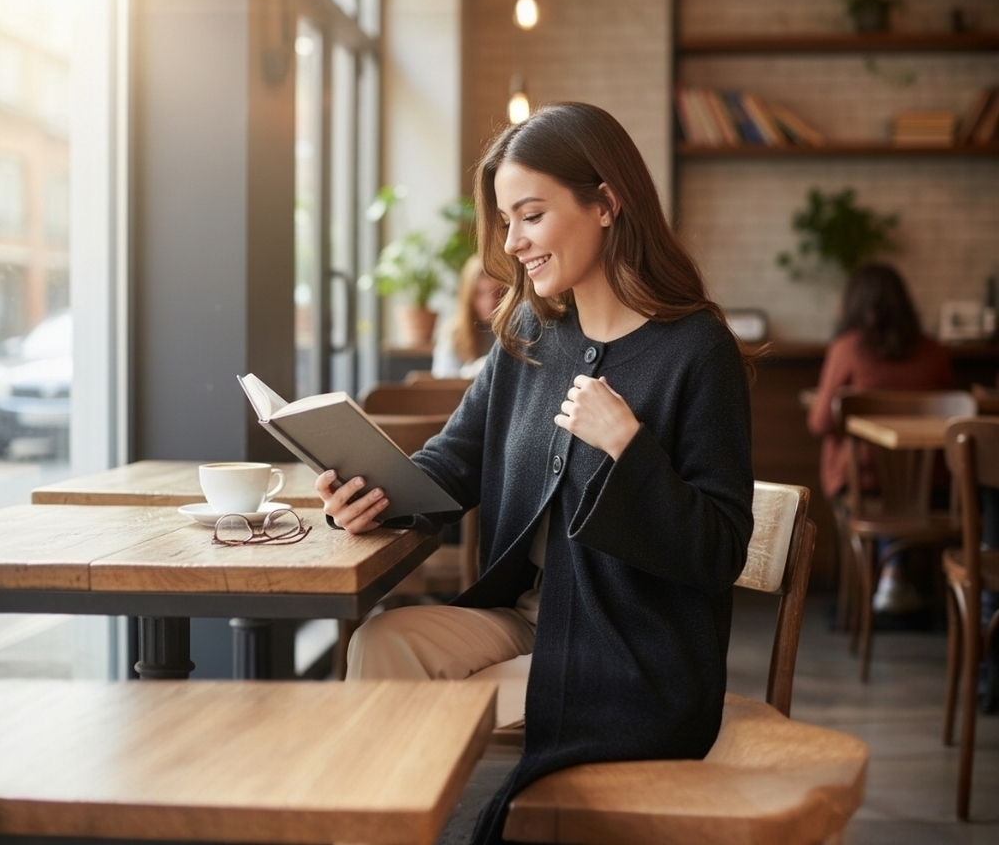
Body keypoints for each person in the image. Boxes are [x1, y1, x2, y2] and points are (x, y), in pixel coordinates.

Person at [318, 103, 754, 845]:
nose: (512, 243)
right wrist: (376, 492)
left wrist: (630, 452)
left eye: (530, 216)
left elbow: (719, 549)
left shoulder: (697, 350)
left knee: (419, 705)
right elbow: (456, 458)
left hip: (631, 652)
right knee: (383, 644)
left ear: (607, 203)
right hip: (532, 623)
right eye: (506, 220)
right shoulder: (529, 331)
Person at [807, 262, 955, 613]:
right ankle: (898, 572)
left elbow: (818, 423)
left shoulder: (847, 349)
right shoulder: (934, 351)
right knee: (899, 489)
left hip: (864, 486)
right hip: (933, 488)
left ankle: (887, 575)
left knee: (861, 470)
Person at [431, 254, 502, 378]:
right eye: (479, 293)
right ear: (467, 296)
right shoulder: (453, 334)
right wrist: (475, 370)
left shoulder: (518, 331)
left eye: (497, 292)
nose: (490, 302)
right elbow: (442, 385)